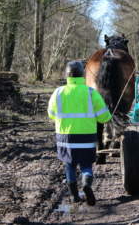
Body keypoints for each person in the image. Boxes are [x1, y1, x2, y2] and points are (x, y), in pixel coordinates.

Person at [48, 61, 112, 206]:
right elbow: (104, 117)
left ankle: (74, 196)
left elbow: (51, 114)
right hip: (86, 137)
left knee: (69, 165)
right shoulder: (90, 92)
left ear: (67, 75)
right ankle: (86, 184)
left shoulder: (58, 92)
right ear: (82, 75)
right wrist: (107, 115)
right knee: (86, 165)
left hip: (65, 137)